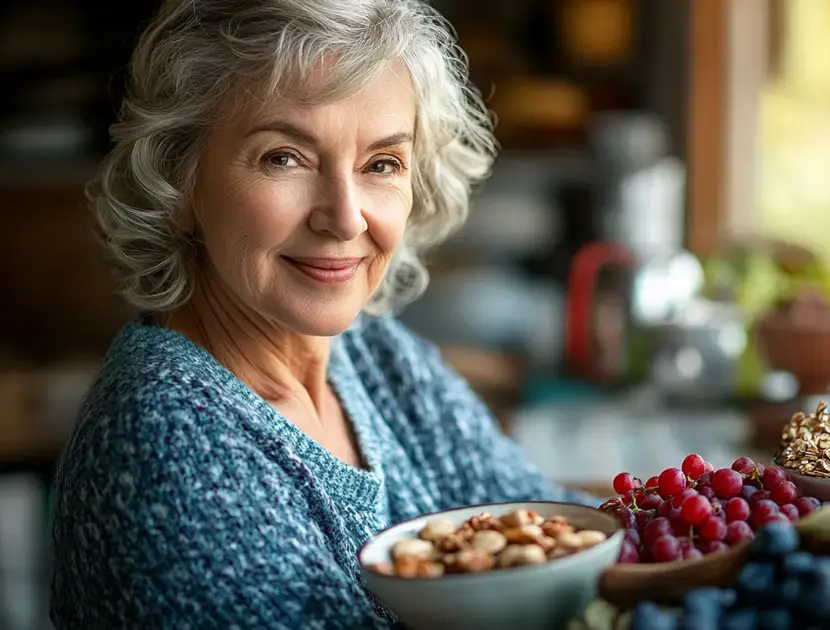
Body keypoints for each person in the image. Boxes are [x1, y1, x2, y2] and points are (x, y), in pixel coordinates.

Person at [49, 1, 595, 627]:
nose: (344, 217)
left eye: (381, 164)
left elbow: (550, 532)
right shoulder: (167, 448)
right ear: (180, 181)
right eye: (284, 157)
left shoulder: (372, 353)